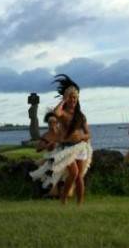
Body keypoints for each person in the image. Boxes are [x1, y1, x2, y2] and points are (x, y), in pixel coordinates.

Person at [30, 74, 93, 205]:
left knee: (79, 177)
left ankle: (80, 204)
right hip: (66, 149)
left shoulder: (81, 116)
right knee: (74, 173)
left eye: (75, 98)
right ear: (67, 98)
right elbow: (56, 112)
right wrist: (63, 100)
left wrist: (82, 136)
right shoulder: (63, 114)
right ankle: (63, 199)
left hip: (80, 148)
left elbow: (88, 134)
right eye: (71, 97)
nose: (73, 100)